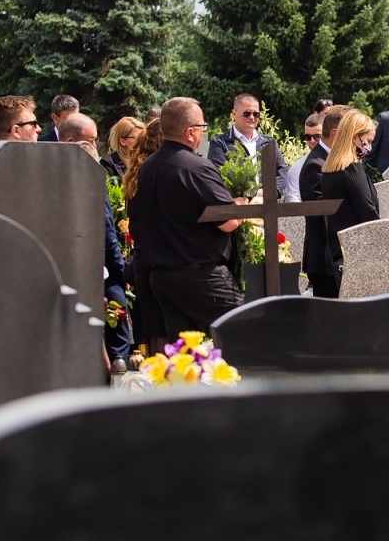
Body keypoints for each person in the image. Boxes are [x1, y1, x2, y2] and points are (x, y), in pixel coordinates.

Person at [129, 97, 247, 337]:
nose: (204, 133)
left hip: (161, 276)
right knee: (243, 333)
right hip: (201, 275)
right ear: (190, 132)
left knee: (185, 351)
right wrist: (241, 204)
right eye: (203, 127)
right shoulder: (196, 168)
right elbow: (228, 222)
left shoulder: (147, 167)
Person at [59, 113, 133, 364]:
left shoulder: (48, 177)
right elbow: (106, 233)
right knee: (118, 328)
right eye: (91, 141)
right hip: (96, 270)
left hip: (62, 273)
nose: (95, 146)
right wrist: (121, 274)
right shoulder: (90, 180)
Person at [319, 110, 381, 288]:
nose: (368, 146)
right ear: (354, 137)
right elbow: (367, 210)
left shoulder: (330, 169)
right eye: (367, 141)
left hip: (336, 251)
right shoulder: (352, 168)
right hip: (356, 251)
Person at [121, 114, 165, 350]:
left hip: (144, 260)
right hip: (162, 261)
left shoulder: (137, 174)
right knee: (165, 331)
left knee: (153, 332)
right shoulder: (159, 174)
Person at [300, 105, 346, 298]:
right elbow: (324, 213)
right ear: (336, 134)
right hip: (325, 260)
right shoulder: (316, 164)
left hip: (336, 256)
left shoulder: (334, 159)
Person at [205, 93, 289, 196]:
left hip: (268, 206)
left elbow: (282, 171)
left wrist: (271, 193)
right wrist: (251, 194)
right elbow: (218, 176)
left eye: (256, 114)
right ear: (234, 114)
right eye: (247, 113)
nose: (252, 118)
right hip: (239, 207)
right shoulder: (220, 143)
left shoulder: (269, 143)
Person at [283, 114, 323, 203]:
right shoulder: (297, 167)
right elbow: (294, 199)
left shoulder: (339, 160)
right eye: (308, 137)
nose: (312, 141)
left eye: (317, 136)